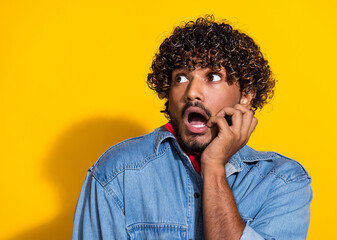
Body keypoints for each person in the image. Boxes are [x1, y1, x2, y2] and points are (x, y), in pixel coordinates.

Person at [72, 15, 312, 240]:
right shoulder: (118, 173)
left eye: (213, 77)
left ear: (246, 95)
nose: (192, 92)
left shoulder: (283, 182)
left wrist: (214, 166)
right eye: (181, 78)